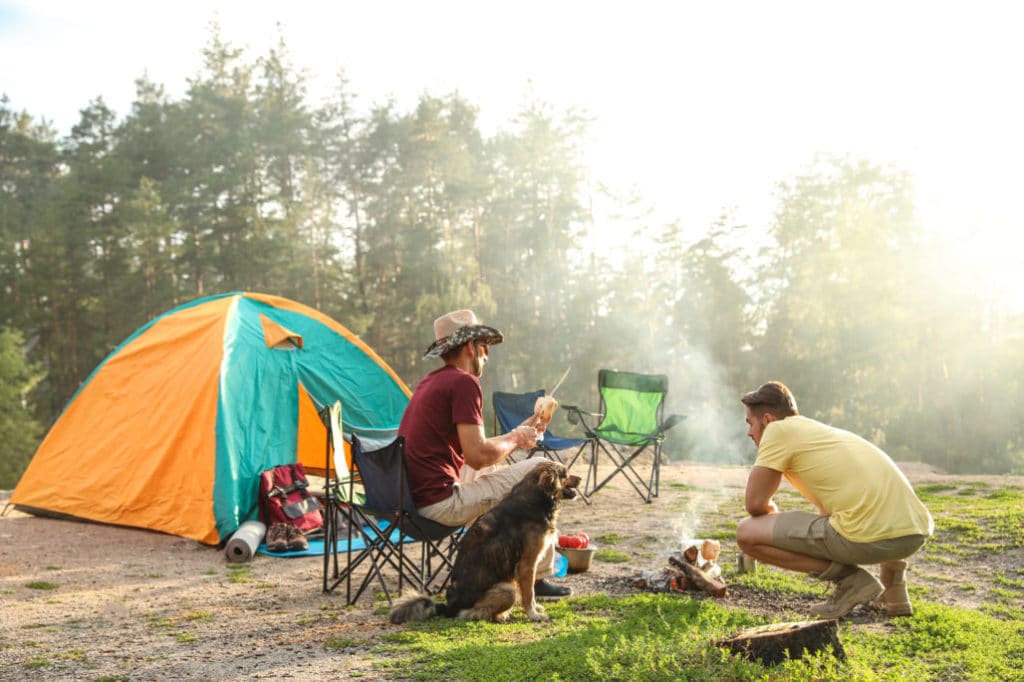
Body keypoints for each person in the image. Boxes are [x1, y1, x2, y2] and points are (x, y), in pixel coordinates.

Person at [399, 309, 572, 598]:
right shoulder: (465, 383)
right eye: (485, 347)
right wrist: (517, 439)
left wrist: (518, 432)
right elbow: (478, 455)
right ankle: (537, 578)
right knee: (544, 468)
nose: (487, 356)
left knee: (486, 474)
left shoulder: (432, 382)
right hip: (438, 505)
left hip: (409, 500)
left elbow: (471, 451)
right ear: (470, 346)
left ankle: (488, 565)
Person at [735, 381, 933, 618]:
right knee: (869, 509)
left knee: (747, 533)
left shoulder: (777, 431)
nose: (749, 432)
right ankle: (895, 591)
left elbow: (754, 504)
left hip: (868, 537)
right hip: (913, 534)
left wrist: (768, 514)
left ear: (767, 420)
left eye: (750, 423)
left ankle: (851, 581)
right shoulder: (818, 432)